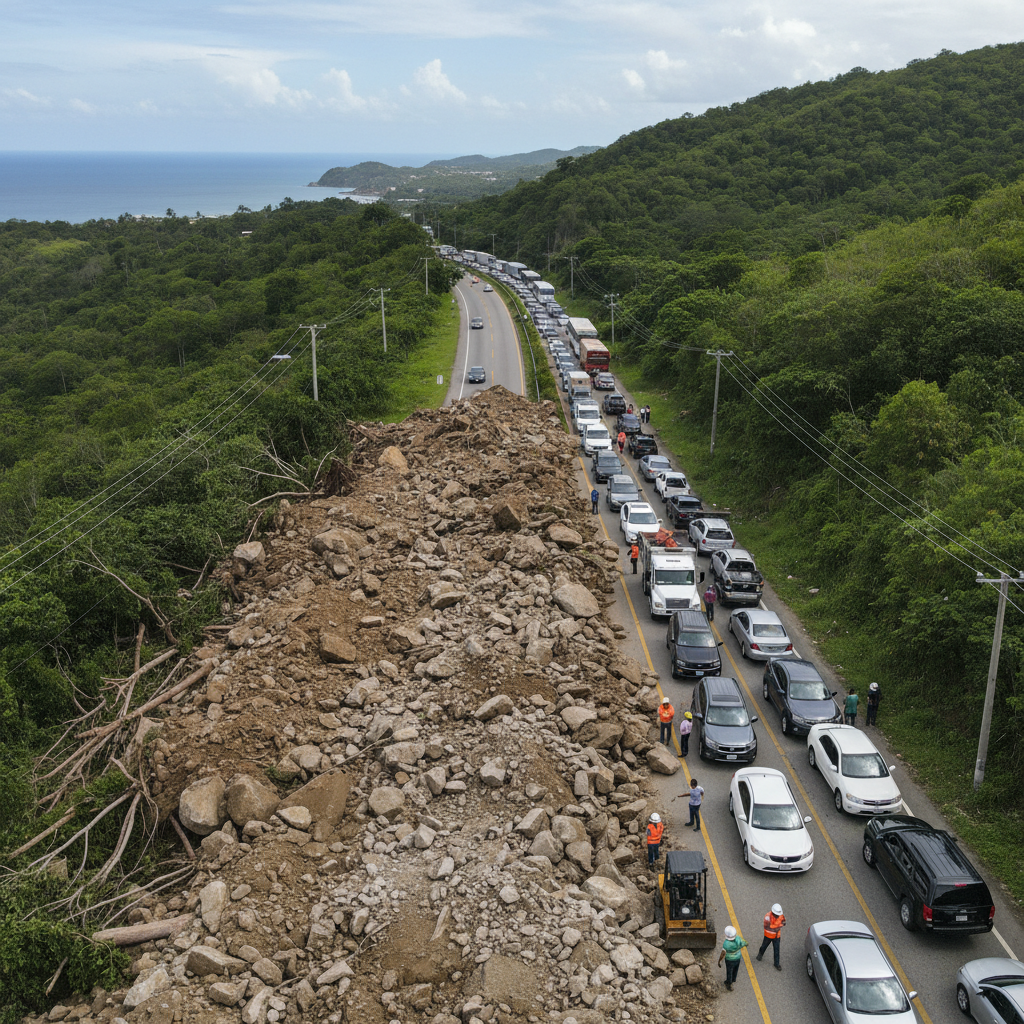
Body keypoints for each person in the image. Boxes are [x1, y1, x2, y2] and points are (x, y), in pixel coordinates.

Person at [756, 903, 785, 970]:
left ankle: (776, 964)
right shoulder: (767, 917)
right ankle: (760, 954)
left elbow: (783, 923)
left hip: (777, 936)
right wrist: (776, 927)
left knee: (777, 950)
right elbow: (766, 927)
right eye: (776, 914)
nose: (777, 916)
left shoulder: (781, 916)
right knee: (764, 946)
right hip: (768, 936)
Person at [718, 925, 748, 991]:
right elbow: (745, 943)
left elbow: (723, 954)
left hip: (729, 960)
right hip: (738, 958)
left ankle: (729, 983)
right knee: (735, 969)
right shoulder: (738, 938)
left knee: (729, 971)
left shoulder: (726, 944)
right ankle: (733, 979)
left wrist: (719, 962)